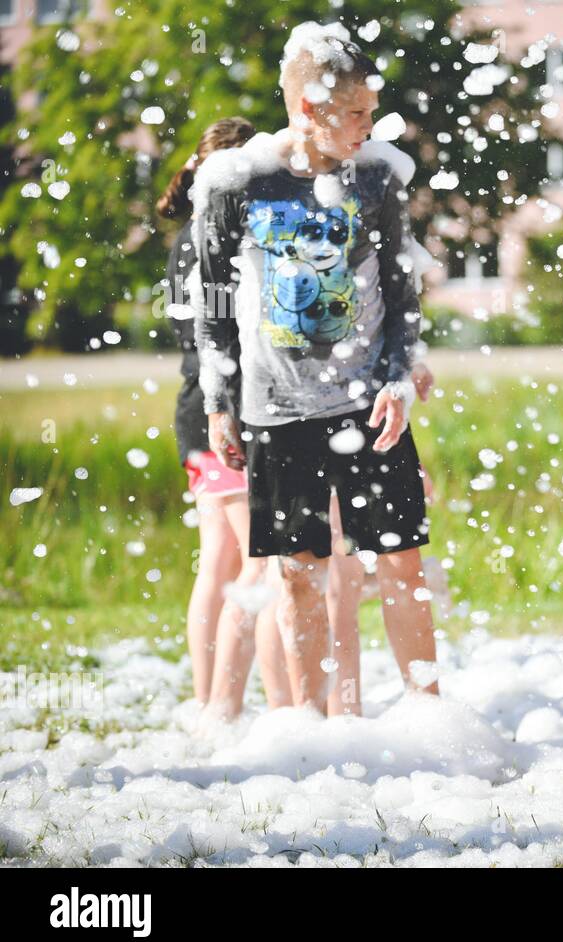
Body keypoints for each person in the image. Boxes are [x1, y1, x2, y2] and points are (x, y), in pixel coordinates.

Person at [194, 21, 438, 717]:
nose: (370, 124)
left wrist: (397, 378)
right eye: (357, 112)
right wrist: (220, 400)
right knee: (299, 575)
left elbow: (402, 294)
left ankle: (430, 714)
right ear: (308, 108)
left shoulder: (376, 177)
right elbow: (211, 302)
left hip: (368, 403)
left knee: (401, 565)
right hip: (277, 409)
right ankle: (309, 726)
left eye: (371, 111)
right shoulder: (239, 182)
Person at [157, 116, 292, 712]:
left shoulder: (184, 236)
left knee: (219, 562)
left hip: (196, 405)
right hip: (226, 408)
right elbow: (230, 333)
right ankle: (239, 708)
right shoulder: (217, 235)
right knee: (263, 567)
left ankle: (209, 700)